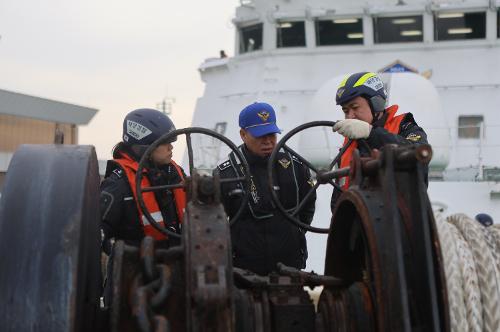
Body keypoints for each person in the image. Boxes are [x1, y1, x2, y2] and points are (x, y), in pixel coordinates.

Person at [217, 102, 316, 275]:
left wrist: (295, 235)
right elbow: (216, 220)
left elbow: (308, 204)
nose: (268, 141)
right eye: (260, 135)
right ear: (243, 134)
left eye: (271, 134)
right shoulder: (226, 173)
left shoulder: (296, 166)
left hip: (290, 266)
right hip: (244, 271)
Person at [331, 72, 429, 209]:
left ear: (376, 104)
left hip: (399, 222)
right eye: (345, 111)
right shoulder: (348, 145)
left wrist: (370, 133)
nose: (349, 117)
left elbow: (419, 153)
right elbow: (338, 197)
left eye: (355, 108)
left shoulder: (405, 127)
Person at [100, 108, 186, 250]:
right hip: (138, 269)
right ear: (144, 146)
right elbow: (95, 233)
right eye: (165, 143)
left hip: (180, 264)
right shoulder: (119, 185)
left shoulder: (175, 174)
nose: (171, 147)